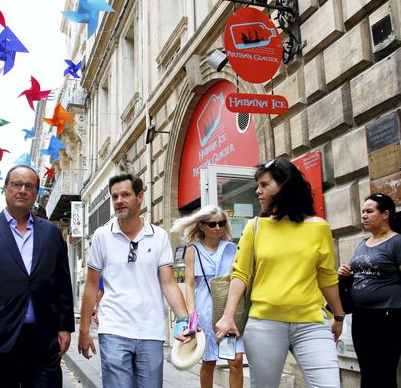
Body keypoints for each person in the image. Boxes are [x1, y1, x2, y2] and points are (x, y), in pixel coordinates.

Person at [215, 157, 344, 388]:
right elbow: (240, 274)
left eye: (264, 185)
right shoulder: (255, 227)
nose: (258, 191)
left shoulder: (319, 227)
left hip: (311, 323)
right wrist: (228, 316)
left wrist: (339, 316)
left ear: (284, 185)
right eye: (258, 186)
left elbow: (327, 277)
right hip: (264, 323)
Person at [0, 164, 74, 388]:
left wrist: (65, 326)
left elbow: (62, 284)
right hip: (0, 336)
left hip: (44, 339)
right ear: (5, 189)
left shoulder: (51, 233)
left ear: (35, 193)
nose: (22, 190)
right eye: (16, 184)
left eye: (29, 186)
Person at [78, 173, 192, 388]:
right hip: (113, 329)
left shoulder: (158, 236)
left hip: (150, 330)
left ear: (140, 196)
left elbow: (168, 283)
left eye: (125, 195)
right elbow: (92, 285)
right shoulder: (102, 236)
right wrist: (84, 330)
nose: (119, 201)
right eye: (114, 196)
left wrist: (185, 321)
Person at [171, 205, 243, 388]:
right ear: (202, 226)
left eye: (221, 223)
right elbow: (189, 284)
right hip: (205, 312)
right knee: (209, 361)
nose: (217, 227)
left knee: (236, 360)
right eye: (212, 224)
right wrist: (192, 315)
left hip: (229, 310)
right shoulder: (193, 251)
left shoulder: (232, 248)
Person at [337, 193, 401, 388]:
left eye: (369, 211)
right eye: (363, 211)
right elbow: (360, 272)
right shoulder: (363, 243)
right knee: (367, 369)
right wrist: (344, 272)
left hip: (388, 315)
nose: (363, 215)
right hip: (362, 315)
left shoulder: (397, 242)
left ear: (385, 214)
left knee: (384, 370)